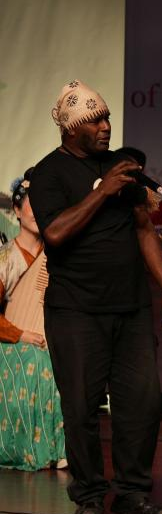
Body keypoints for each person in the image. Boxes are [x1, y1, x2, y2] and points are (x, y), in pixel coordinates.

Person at [30, 80, 162, 514]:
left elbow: (143, 229)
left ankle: (132, 493)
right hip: (75, 310)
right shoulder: (49, 173)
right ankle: (90, 496)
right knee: (81, 407)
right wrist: (101, 191)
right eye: (95, 121)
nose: (106, 127)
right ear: (70, 128)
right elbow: (55, 233)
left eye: (107, 118)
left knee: (143, 404)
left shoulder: (120, 166)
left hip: (131, 307)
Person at [0, 171, 65, 471]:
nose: (39, 211)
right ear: (16, 210)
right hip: (10, 341)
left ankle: (63, 448)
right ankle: (33, 448)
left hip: (46, 335)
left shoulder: (57, 256)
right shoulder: (5, 258)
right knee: (37, 361)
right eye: (31, 205)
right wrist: (20, 335)